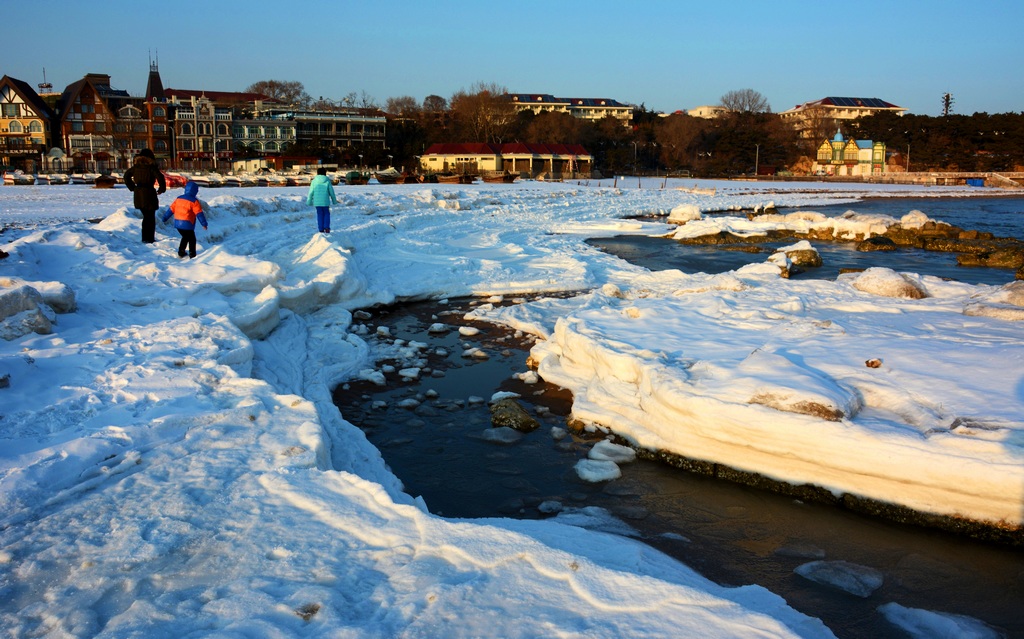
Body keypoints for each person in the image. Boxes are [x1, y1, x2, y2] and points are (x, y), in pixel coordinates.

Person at [123, 148, 167, 243]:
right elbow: (160, 177)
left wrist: (132, 187)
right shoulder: (151, 168)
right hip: (149, 193)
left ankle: (145, 238)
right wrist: (161, 189)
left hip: (138, 194)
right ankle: (149, 238)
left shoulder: (136, 167)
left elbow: (126, 176)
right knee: (150, 218)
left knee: (146, 217)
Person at [162, 180, 208, 258]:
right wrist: (204, 224)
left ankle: (181, 251)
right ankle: (192, 254)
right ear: (195, 191)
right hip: (188, 223)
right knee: (192, 239)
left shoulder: (178, 198)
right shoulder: (194, 201)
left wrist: (165, 218)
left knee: (185, 237)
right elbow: (199, 214)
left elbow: (171, 210)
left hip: (177, 223)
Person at [306, 167, 337, 233]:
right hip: (325, 201)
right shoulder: (327, 180)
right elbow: (331, 191)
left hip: (317, 202)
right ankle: (327, 227)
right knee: (326, 214)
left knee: (319, 214)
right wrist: (334, 200)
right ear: (325, 173)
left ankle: (321, 229)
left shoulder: (314, 181)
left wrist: (309, 201)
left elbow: (311, 192)